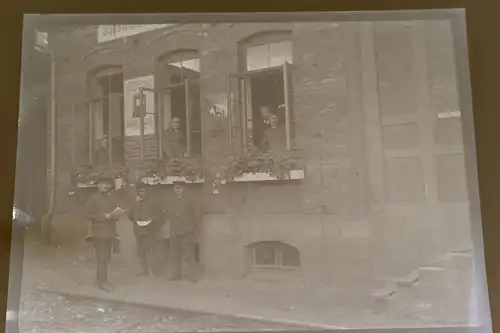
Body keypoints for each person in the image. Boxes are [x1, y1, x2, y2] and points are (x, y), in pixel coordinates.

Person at [84, 175, 123, 292]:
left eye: (107, 184)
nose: (105, 186)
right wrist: (102, 216)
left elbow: (114, 214)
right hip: (99, 232)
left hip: (110, 232)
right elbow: (87, 214)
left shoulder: (111, 198)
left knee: (107, 258)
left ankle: (99, 278)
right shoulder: (93, 198)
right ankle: (103, 282)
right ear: (98, 185)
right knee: (102, 258)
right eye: (102, 184)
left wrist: (116, 215)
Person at [166, 181, 200, 282]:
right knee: (175, 255)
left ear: (183, 189)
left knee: (189, 254)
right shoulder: (171, 201)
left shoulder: (189, 200)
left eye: (179, 188)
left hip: (186, 230)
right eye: (175, 188)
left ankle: (193, 276)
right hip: (175, 231)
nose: (177, 190)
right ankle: (176, 274)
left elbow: (196, 213)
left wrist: (192, 225)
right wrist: (171, 229)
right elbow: (169, 214)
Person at [128, 182, 165, 276]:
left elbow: (161, 215)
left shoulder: (153, 202)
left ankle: (151, 269)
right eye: (140, 191)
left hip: (150, 230)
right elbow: (130, 215)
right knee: (141, 251)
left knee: (151, 250)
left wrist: (152, 220)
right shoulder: (135, 202)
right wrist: (135, 206)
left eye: (144, 191)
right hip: (139, 231)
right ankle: (144, 269)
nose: (142, 193)